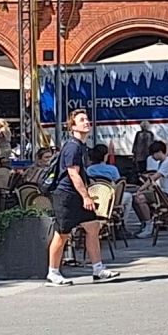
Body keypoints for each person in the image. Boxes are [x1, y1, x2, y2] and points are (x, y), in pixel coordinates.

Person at [46, 110, 118, 285]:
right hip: (66, 196)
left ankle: (98, 269)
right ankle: (53, 273)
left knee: (93, 227)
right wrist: (86, 196)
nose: (87, 122)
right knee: (62, 234)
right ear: (73, 126)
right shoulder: (73, 147)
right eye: (81, 120)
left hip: (77, 195)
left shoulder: (81, 146)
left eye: (87, 119)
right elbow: (73, 174)